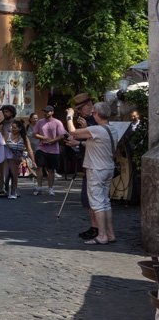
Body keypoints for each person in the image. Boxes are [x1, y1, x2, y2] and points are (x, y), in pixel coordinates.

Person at [66, 101, 118, 245]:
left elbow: (72, 132)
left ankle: (102, 236)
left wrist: (69, 117)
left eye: (93, 112)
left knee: (97, 204)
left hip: (96, 169)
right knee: (105, 202)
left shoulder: (97, 129)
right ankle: (110, 233)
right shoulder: (111, 129)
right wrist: (80, 144)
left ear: (96, 114)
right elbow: (98, 144)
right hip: (108, 168)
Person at [32, 105, 67, 196]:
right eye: (44, 111)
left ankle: (50, 188)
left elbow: (62, 135)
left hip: (53, 150)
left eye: (47, 111)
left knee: (51, 170)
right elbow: (35, 133)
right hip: (41, 148)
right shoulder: (40, 122)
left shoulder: (57, 122)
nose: (45, 113)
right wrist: (43, 137)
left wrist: (52, 141)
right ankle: (39, 187)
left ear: (52, 112)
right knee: (39, 167)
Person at [2, 119, 28, 199]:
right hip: (8, 158)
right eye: (12, 127)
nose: (12, 129)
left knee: (14, 176)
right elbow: (2, 143)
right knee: (8, 175)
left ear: (19, 129)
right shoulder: (8, 135)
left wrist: (31, 161)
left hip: (17, 159)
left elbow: (29, 149)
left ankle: (13, 192)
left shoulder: (24, 138)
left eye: (14, 127)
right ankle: (6, 191)